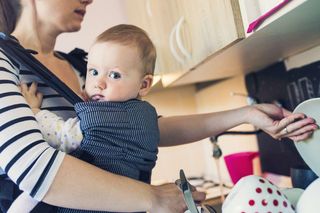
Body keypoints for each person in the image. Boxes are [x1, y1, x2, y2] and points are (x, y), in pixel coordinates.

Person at [0, 0, 317, 212]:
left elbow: (146, 127)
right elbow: (34, 167)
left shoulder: (84, 68)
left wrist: (247, 114)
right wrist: (152, 198)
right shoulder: (4, 61)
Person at [11, 24, 161, 213]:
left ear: (144, 84)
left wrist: (35, 111)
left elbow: (63, 135)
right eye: (93, 72)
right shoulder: (146, 114)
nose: (99, 83)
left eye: (114, 75)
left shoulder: (103, 119)